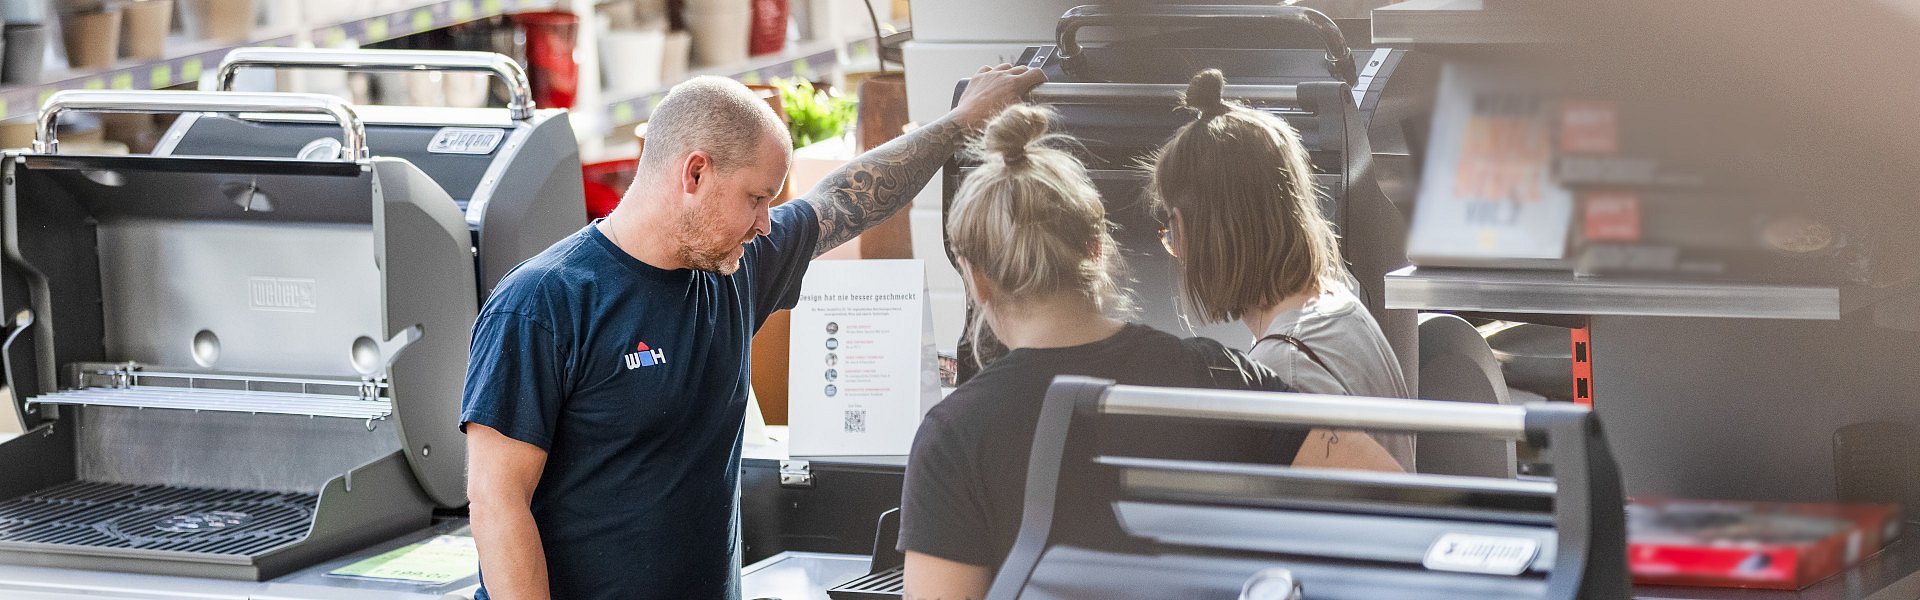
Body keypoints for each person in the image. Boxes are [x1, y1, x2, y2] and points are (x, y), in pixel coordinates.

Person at [459, 65, 1044, 600]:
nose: (766, 222)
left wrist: (960, 122)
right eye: (757, 198)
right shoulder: (542, 304)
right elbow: (497, 503)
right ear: (695, 172)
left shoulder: (735, 269)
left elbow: (848, 198)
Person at [899, 104, 1402, 600]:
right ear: (1096, 249)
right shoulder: (1219, 375)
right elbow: (1396, 499)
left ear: (977, 279)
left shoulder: (953, 437)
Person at [1151, 69, 1416, 469]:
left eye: (1173, 233)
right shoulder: (1337, 302)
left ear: (1202, 234)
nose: (1178, 253)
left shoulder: (1283, 370)